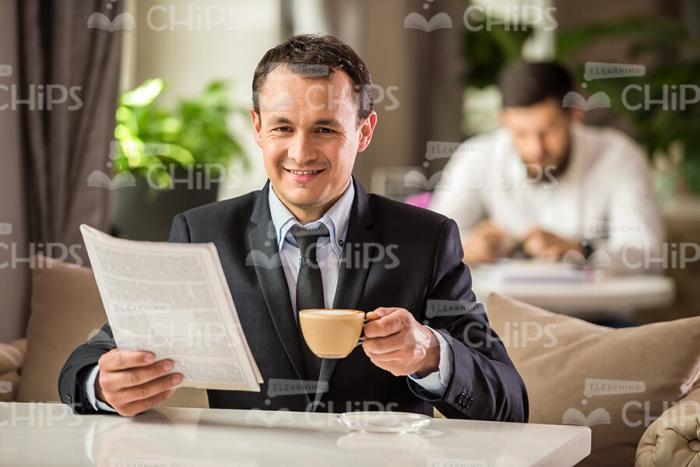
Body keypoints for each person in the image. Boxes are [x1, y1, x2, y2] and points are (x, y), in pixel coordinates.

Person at [58, 35, 527, 422]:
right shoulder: (203, 233)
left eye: (325, 129)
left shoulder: (426, 239)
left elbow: (511, 403)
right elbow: (88, 360)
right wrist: (101, 383)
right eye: (283, 128)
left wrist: (430, 353)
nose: (301, 153)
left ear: (364, 132)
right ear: (257, 127)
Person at [430, 61, 664, 272]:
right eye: (521, 133)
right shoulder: (478, 156)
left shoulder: (618, 156)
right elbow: (430, 243)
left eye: (546, 132)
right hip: (501, 312)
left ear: (574, 114)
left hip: (597, 315)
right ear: (504, 121)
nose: (535, 149)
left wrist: (583, 251)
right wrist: (466, 249)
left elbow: (650, 254)